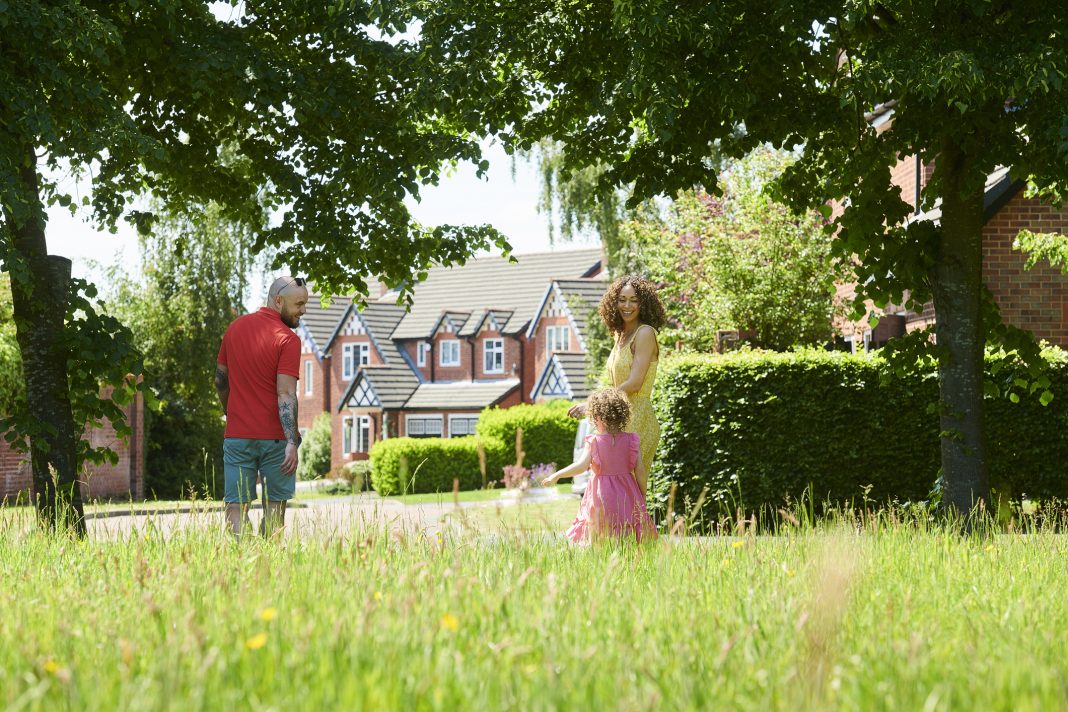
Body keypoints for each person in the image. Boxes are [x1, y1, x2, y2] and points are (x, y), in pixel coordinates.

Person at [215, 276, 309, 538]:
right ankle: (269, 564)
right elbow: (286, 393)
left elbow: (220, 380)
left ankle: (240, 560)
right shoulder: (287, 339)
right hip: (276, 441)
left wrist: (229, 411)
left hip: (237, 436)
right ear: (278, 301)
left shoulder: (234, 329)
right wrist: (292, 441)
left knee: (236, 506)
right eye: (298, 304)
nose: (304, 310)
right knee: (275, 508)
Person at [567, 275, 666, 491]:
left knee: (628, 489)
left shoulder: (645, 333)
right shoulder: (620, 335)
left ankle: (638, 527)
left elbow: (635, 383)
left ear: (643, 303)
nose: (627, 306)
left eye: (633, 300)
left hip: (638, 417)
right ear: (614, 301)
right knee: (610, 486)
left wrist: (593, 406)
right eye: (622, 299)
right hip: (618, 417)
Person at [543, 388, 656, 543]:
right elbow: (640, 471)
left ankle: (604, 564)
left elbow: (580, 466)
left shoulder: (594, 442)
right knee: (627, 535)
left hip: (601, 496)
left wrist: (556, 475)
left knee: (600, 535)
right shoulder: (632, 440)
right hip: (628, 495)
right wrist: (642, 495)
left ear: (598, 417)